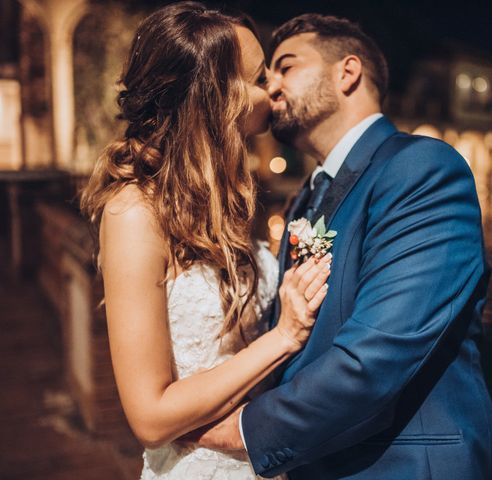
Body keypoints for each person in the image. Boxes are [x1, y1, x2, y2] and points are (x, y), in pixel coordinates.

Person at [198, 14, 492, 480]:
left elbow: (377, 357)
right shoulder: (305, 196)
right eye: (266, 77)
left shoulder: (421, 168)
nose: (272, 88)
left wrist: (239, 430)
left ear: (347, 72)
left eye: (286, 67)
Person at [80, 3, 331, 479]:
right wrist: (284, 337)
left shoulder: (225, 198)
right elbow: (150, 419)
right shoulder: (134, 211)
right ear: (216, 95)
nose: (274, 86)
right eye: (259, 79)